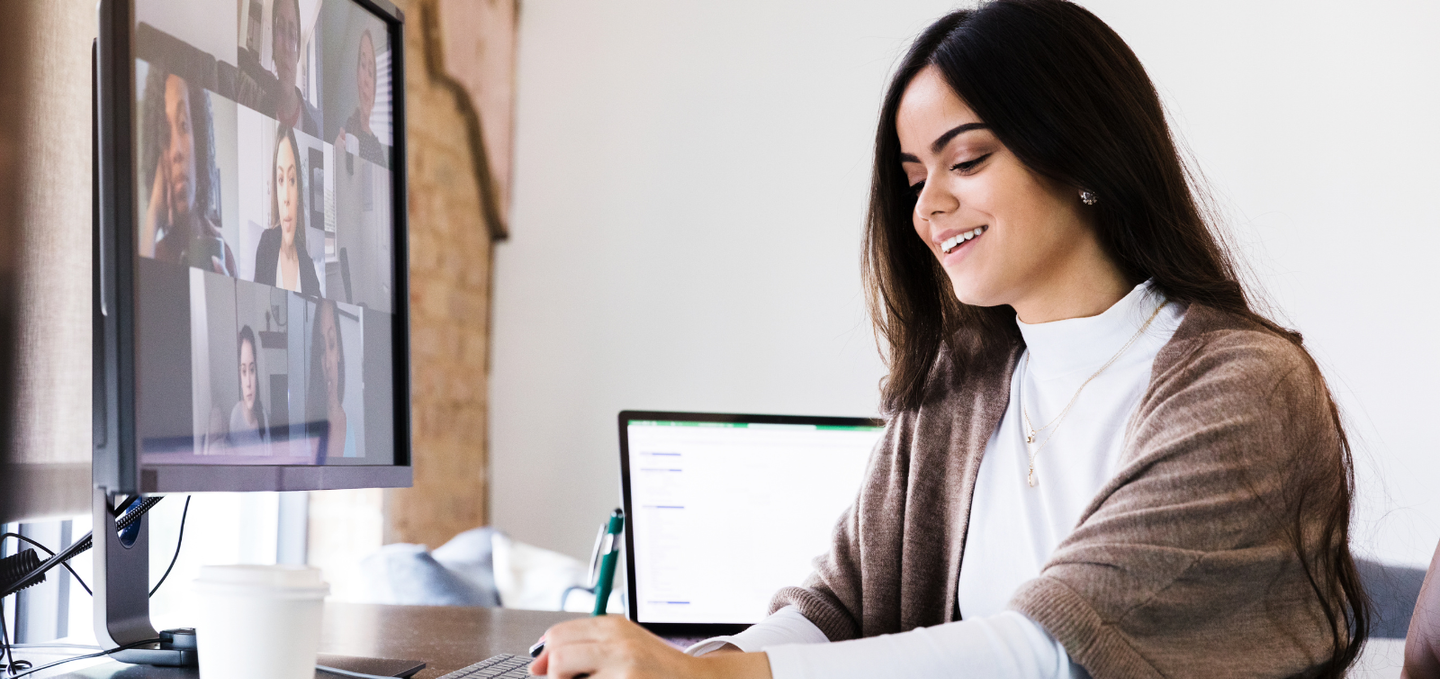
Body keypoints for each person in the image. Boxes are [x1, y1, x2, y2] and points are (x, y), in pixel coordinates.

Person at [530, 2, 1369, 678]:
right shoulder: (962, 382)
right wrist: (700, 662)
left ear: (1084, 158)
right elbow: (837, 608)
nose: (927, 207)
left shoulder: (1248, 386)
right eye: (913, 176)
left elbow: (1059, 648)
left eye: (965, 160)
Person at [138, 69, 237, 276]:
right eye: (165, 135)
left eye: (183, 125)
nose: (176, 151)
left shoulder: (223, 255)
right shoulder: (155, 255)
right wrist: (153, 216)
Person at [253, 125, 322, 295]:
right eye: (281, 179)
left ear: (299, 190)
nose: (286, 198)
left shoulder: (308, 266)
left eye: (292, 180)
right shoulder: (266, 246)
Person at [237, 0, 319, 136]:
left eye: (292, 35)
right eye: (280, 29)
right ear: (273, 46)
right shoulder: (259, 109)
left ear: (298, 50)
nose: (286, 46)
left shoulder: (313, 128)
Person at [334, 28, 389, 169]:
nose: (366, 80)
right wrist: (336, 158)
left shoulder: (377, 146)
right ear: (357, 75)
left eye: (371, 73)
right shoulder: (349, 129)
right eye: (363, 65)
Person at [307, 299, 354, 460]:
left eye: (332, 344)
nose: (327, 362)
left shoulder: (350, 429)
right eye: (321, 349)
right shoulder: (309, 424)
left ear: (339, 352)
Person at [229, 325, 270, 454]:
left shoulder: (264, 416)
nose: (248, 383)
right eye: (243, 371)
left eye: (252, 370)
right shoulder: (235, 417)